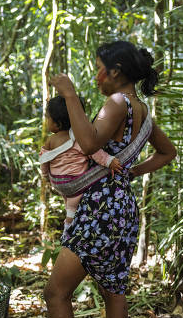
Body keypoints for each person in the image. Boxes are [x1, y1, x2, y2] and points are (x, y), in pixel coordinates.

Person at [46, 41, 177, 318]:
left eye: (99, 67)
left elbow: (89, 144)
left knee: (56, 291)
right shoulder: (142, 110)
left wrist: (70, 95)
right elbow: (167, 152)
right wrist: (130, 173)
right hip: (121, 206)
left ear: (115, 71)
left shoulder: (117, 102)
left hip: (100, 206)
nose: (96, 75)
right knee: (113, 289)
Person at [39, 95, 122, 232]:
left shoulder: (50, 141)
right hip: (76, 183)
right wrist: (109, 161)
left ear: (57, 123)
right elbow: (95, 152)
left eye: (48, 118)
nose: (47, 121)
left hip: (58, 183)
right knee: (72, 208)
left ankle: (68, 227)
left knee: (68, 203)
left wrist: (46, 176)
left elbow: (44, 161)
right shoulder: (78, 138)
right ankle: (69, 227)